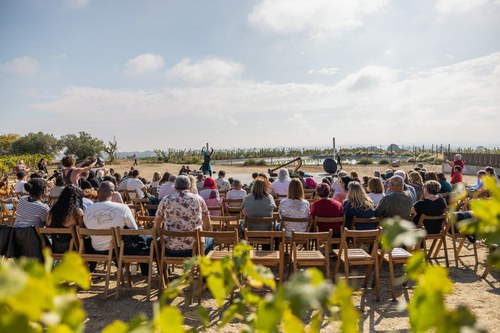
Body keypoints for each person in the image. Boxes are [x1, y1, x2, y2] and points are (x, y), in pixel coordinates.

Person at [84, 181, 149, 273]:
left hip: (96, 248)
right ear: (113, 193)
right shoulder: (122, 208)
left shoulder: (88, 210)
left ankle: (125, 269)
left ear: (98, 192)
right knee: (142, 238)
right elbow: (134, 230)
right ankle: (145, 271)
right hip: (118, 249)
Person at [154, 175, 213, 257]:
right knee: (210, 240)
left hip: (170, 249)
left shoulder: (166, 200)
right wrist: (207, 233)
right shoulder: (198, 199)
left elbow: (157, 222)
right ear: (189, 186)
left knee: (156, 244)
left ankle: (163, 269)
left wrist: (157, 233)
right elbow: (206, 220)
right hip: (194, 248)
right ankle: (203, 267)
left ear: (174, 186)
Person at [46, 185, 85, 253]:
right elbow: (82, 232)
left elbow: (47, 225)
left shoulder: (53, 210)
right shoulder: (77, 212)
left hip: (55, 247)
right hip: (72, 248)